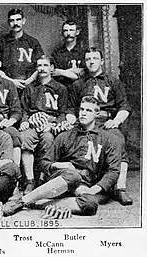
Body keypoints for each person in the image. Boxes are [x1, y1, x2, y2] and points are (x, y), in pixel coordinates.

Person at [3, 96, 122, 217]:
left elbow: (113, 171)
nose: (83, 113)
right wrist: (60, 165)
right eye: (82, 110)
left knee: (90, 205)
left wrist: (93, 190)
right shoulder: (65, 136)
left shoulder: (109, 139)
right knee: (73, 175)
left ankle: (37, 202)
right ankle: (22, 201)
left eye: (88, 110)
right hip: (62, 180)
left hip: (85, 185)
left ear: (97, 114)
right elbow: (44, 162)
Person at [67, 47, 132, 205]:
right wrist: (71, 121)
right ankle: (83, 185)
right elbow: (70, 108)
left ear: (102, 61)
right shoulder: (78, 84)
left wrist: (116, 121)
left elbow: (124, 107)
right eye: (88, 59)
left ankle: (120, 188)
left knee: (118, 141)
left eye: (95, 58)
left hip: (106, 122)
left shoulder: (113, 81)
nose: (91, 62)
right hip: (85, 123)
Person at [19, 55, 69, 195]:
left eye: (45, 65)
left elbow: (63, 112)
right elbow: (24, 110)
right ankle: (30, 180)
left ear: (52, 68)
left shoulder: (60, 88)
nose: (42, 68)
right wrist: (25, 122)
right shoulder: (30, 88)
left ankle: (42, 179)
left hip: (50, 124)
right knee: (25, 138)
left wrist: (53, 125)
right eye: (39, 65)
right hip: (32, 124)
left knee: (48, 140)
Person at [0, 8, 44, 92]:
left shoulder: (33, 42)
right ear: (9, 23)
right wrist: (12, 81)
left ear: (23, 21)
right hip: (7, 85)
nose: (15, 23)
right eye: (12, 20)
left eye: (18, 19)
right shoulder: (1, 42)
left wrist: (29, 80)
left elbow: (42, 64)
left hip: (29, 85)